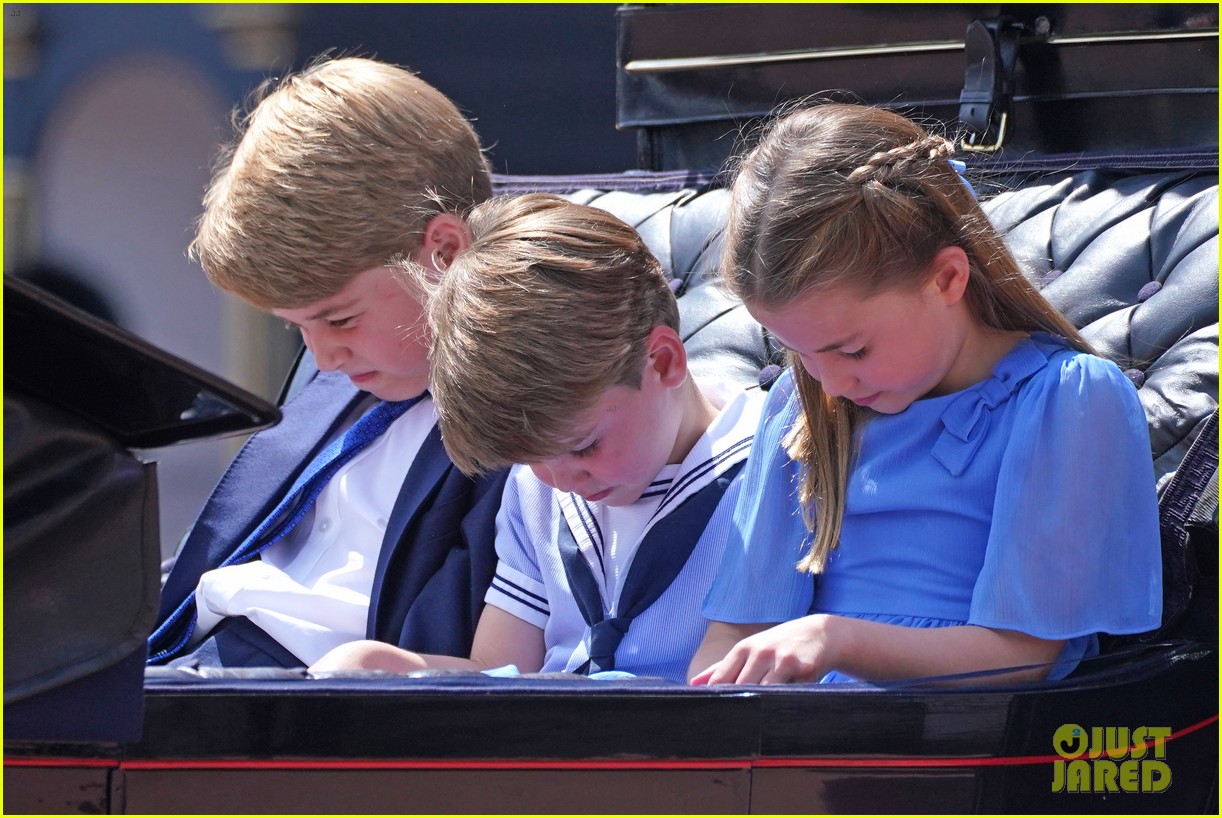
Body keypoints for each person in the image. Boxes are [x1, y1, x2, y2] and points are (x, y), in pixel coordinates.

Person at [688, 104, 1162, 686]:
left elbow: (1023, 658)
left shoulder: (1065, 401)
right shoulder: (803, 405)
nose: (831, 382)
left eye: (853, 350)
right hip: (799, 729)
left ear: (948, 279)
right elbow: (733, 634)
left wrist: (838, 640)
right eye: (799, 352)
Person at [310, 194, 765, 682]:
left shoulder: (774, 469)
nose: (561, 480)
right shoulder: (536, 487)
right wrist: (379, 664)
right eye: (531, 459)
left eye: (585, 446)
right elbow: (498, 668)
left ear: (663, 361)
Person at [148, 56, 507, 669]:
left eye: (339, 319)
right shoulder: (352, 374)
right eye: (296, 328)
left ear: (445, 252)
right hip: (186, 657)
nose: (322, 356)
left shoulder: (525, 417)